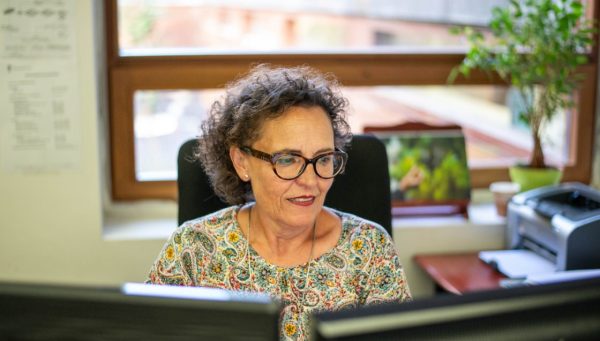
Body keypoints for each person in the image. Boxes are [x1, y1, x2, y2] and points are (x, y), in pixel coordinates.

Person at [146, 65, 412, 340]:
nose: (310, 181)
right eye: (287, 160)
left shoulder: (369, 249)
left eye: (322, 159)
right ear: (242, 162)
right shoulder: (193, 248)